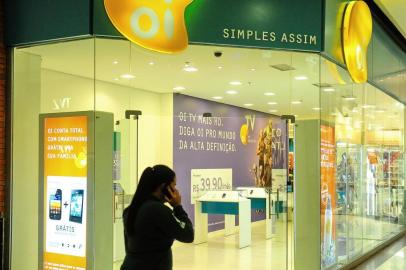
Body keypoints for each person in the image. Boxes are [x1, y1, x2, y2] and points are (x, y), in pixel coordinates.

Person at [121, 165, 194, 270]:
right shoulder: (157, 210)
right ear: (164, 187)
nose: (176, 191)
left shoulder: (130, 210)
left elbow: (129, 246)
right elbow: (188, 234)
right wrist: (178, 207)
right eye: (174, 186)